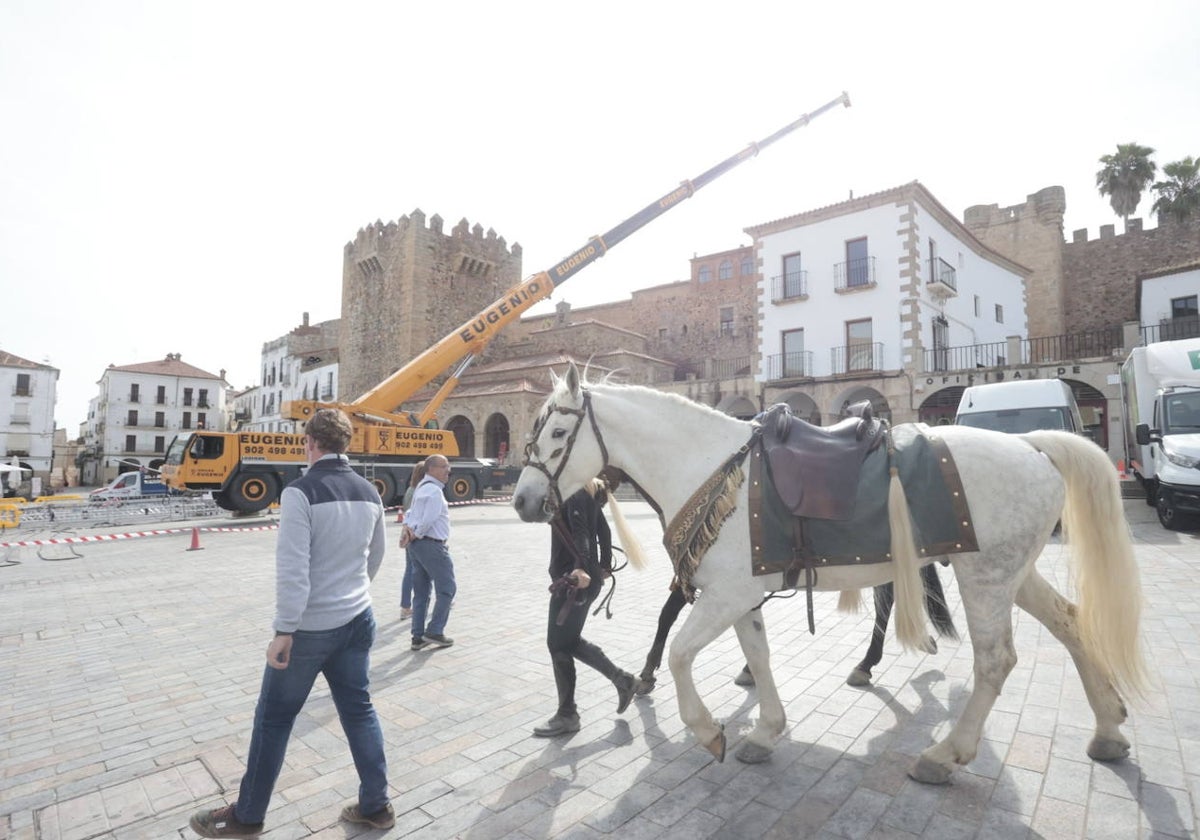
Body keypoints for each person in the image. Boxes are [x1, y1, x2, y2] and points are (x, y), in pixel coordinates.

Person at [190, 409, 393, 838]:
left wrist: (285, 630)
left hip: (309, 631)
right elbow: (376, 556)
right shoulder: (369, 492)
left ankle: (247, 815)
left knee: (274, 720)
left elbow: (293, 569)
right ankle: (376, 805)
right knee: (359, 712)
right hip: (358, 618)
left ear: (311, 443)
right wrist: (353, 592)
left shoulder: (302, 492)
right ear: (346, 444)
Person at [533, 477, 640, 737]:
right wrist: (602, 565)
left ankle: (568, 714)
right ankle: (622, 680)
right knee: (567, 641)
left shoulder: (575, 493)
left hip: (574, 581)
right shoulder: (585, 494)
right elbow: (604, 531)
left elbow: (582, 533)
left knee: (558, 643)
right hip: (581, 578)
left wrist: (581, 566)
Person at [400, 453, 456, 650]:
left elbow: (409, 513)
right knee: (447, 588)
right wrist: (416, 533)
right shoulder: (433, 491)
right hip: (431, 544)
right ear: (431, 469)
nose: (448, 470)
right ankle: (435, 630)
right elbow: (428, 519)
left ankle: (417, 637)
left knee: (421, 592)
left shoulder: (422, 487)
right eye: (444, 466)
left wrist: (408, 530)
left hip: (417, 547)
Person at [398, 460, 426, 620]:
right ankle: (446, 595)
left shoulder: (410, 489)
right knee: (432, 568)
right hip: (416, 535)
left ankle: (405, 606)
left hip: (408, 532)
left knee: (409, 570)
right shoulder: (421, 492)